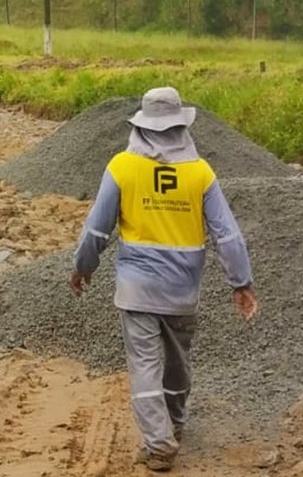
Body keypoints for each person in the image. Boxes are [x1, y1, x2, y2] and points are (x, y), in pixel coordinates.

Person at [69, 86, 258, 472]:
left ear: (142, 126)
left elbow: (97, 230)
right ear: (180, 127)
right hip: (183, 288)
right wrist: (241, 282)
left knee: (144, 365)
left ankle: (159, 445)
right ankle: (175, 424)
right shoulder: (200, 172)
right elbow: (227, 233)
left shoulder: (122, 167)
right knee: (177, 361)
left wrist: (82, 266)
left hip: (137, 286)